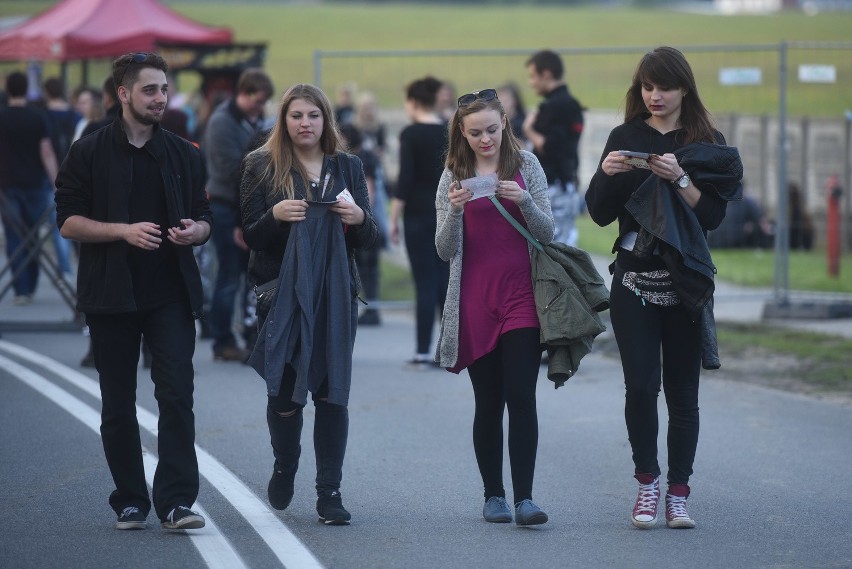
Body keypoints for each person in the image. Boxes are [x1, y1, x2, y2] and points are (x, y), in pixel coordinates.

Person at [585, 46, 742, 530]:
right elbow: (599, 212)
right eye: (648, 87)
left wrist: (680, 179)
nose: (655, 96)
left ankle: (679, 492)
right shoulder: (625, 135)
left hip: (685, 280)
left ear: (684, 89)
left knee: (683, 393)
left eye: (664, 87)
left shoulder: (706, 140)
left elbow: (713, 216)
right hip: (633, 275)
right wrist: (606, 174)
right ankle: (647, 484)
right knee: (639, 387)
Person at [55, 52, 212, 531]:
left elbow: (206, 219)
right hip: (111, 293)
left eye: (164, 89)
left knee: (176, 395)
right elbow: (67, 222)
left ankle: (176, 502)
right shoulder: (89, 150)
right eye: (149, 90)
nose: (160, 98)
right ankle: (130, 499)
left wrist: (195, 232)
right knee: (118, 403)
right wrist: (121, 231)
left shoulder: (185, 152)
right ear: (123, 94)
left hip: (170, 293)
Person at [240, 83, 377, 525]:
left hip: (335, 295)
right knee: (284, 395)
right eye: (296, 116)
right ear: (284, 120)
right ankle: (285, 462)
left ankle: (329, 492)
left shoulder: (348, 166)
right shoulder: (261, 165)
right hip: (279, 294)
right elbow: (251, 236)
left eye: (313, 116)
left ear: (325, 120)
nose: (305, 123)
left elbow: (370, 238)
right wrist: (276, 217)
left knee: (332, 392)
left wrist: (357, 220)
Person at [435, 88, 555, 525]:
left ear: (505, 123)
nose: (486, 140)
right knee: (488, 402)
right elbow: (443, 250)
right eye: (475, 133)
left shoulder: (527, 166)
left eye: (492, 129)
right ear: (462, 134)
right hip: (474, 300)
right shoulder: (452, 174)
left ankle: (525, 498)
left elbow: (548, 233)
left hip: (522, 296)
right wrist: (453, 212)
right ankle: (493, 496)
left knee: (522, 395)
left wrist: (523, 201)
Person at [202, 68, 274, 362]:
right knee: (229, 276)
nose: (261, 108)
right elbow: (234, 173)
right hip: (225, 205)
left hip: (243, 206)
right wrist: (238, 221)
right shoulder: (222, 123)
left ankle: (246, 334)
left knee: (245, 277)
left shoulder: (247, 119)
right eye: (257, 101)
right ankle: (222, 340)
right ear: (243, 94)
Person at [389, 76, 450, 369]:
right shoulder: (450, 132)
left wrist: (393, 217)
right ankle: (448, 347)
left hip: (416, 216)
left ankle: (423, 350)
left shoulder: (410, 134)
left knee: (424, 283)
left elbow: (405, 179)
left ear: (413, 102)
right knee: (444, 282)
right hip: (446, 213)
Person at [0, 71, 59, 305]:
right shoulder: (38, 116)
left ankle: (21, 289)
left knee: (14, 236)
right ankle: (32, 283)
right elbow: (46, 151)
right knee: (33, 234)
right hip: (35, 183)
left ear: (8, 88)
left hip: (7, 184)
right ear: (26, 89)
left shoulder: (1, 116)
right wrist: (56, 182)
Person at [523, 49, 585, 247]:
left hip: (554, 186)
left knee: (556, 246)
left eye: (533, 76)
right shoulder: (570, 104)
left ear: (546, 74)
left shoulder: (555, 107)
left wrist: (528, 129)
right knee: (565, 240)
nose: (531, 82)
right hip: (565, 182)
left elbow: (550, 146)